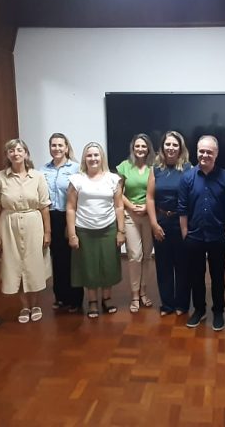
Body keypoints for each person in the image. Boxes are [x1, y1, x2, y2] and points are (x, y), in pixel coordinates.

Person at [0, 139, 52, 323]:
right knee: (15, 265)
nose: (15, 154)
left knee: (34, 265)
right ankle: (24, 306)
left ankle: (36, 304)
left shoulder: (37, 177)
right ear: (7, 155)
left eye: (19, 150)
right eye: (11, 151)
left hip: (34, 223)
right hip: (9, 225)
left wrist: (47, 232)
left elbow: (44, 206)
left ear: (26, 153)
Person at [178, 135, 225, 331]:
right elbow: (182, 207)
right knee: (196, 276)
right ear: (197, 151)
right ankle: (199, 309)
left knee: (218, 277)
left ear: (216, 154)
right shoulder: (187, 177)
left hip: (218, 236)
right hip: (194, 236)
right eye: (201, 151)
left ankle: (218, 311)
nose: (205, 155)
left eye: (209, 152)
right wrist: (185, 233)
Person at [67, 142, 125, 318]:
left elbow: (119, 206)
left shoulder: (113, 179)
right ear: (84, 158)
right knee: (89, 266)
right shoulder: (76, 180)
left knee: (109, 265)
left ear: (102, 158)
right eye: (89, 155)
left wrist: (121, 231)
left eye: (96, 155)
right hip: (84, 230)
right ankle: (92, 301)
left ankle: (106, 299)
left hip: (108, 228)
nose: (93, 158)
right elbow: (71, 208)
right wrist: (72, 234)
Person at [146, 131, 191, 316]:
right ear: (162, 147)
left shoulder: (188, 168)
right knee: (163, 266)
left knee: (183, 265)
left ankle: (182, 304)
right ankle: (167, 304)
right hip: (162, 221)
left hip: (181, 222)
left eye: (175, 145)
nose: (171, 148)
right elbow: (150, 198)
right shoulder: (155, 169)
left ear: (180, 148)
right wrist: (154, 224)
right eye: (168, 144)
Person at [116, 133, 156, 313]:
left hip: (149, 215)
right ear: (133, 148)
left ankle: (143, 292)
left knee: (147, 256)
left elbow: (156, 192)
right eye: (137, 146)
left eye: (143, 146)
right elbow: (118, 191)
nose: (140, 149)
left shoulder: (154, 167)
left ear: (148, 149)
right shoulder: (124, 166)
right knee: (134, 255)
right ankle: (134, 294)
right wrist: (132, 206)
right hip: (130, 215)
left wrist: (147, 208)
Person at [44, 132, 83, 313]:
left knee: (72, 259)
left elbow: (80, 196)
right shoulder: (43, 170)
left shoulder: (76, 169)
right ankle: (60, 297)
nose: (57, 148)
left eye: (60, 145)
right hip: (51, 217)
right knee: (57, 258)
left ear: (66, 147)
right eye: (54, 145)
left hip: (70, 215)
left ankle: (75, 298)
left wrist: (71, 224)